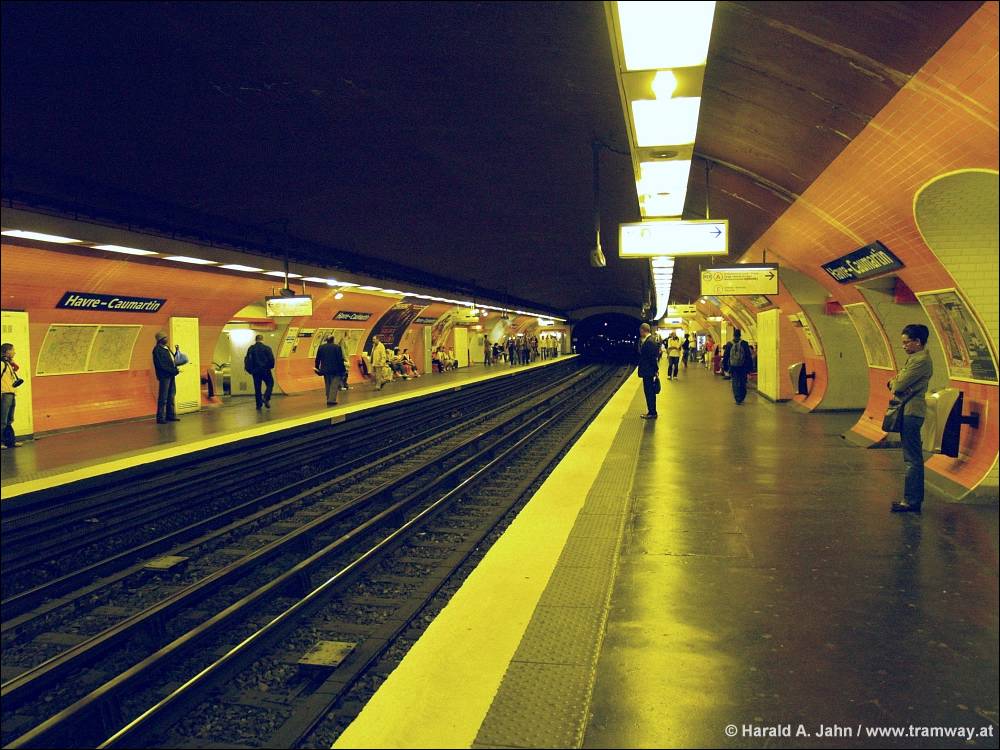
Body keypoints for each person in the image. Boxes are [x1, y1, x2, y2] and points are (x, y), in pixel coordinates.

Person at [888, 324, 933, 513]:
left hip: (912, 412)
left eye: (907, 342)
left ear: (918, 342)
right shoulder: (915, 359)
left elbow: (897, 385)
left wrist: (894, 382)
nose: (904, 346)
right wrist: (896, 382)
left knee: (912, 458)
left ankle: (911, 501)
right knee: (911, 457)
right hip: (909, 411)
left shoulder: (920, 361)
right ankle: (911, 499)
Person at [152, 331, 180, 423]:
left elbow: (172, 359)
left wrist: (177, 353)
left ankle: (170, 415)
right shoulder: (157, 350)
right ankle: (160, 418)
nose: (167, 339)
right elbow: (160, 365)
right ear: (160, 339)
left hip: (171, 374)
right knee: (163, 397)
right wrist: (172, 370)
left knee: (171, 396)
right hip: (164, 376)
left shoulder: (167, 348)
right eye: (165, 337)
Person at [1, 343, 25, 448]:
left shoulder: (7, 363)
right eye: (12, 350)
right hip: (4, 393)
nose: (14, 352)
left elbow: (16, 368)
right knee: (3, 420)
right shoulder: (2, 364)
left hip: (11, 393)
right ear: (7, 351)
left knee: (9, 419)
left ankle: (10, 441)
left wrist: (11, 361)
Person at [244, 334, 276, 410]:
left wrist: (250, 370)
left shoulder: (251, 348)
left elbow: (247, 359)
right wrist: (269, 367)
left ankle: (258, 405)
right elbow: (271, 359)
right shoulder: (267, 348)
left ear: (255, 340)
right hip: (265, 370)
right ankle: (266, 397)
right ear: (262, 339)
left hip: (255, 371)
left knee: (257, 388)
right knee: (270, 383)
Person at [637, 323, 661, 419]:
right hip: (649, 371)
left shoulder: (649, 342)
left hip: (648, 371)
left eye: (640, 331)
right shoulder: (650, 340)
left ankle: (652, 412)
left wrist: (656, 370)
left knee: (649, 392)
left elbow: (652, 358)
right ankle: (651, 411)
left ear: (643, 330)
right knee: (649, 392)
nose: (640, 333)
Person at [722, 329, 753, 404]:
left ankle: (737, 398)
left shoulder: (729, 344)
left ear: (733, 335)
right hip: (743, 366)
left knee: (735, 382)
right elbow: (748, 356)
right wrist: (750, 369)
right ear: (740, 335)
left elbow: (726, 356)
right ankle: (742, 396)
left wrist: (725, 367)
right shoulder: (744, 344)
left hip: (733, 367)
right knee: (743, 381)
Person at [315, 335, 347, 405]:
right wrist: (343, 369)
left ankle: (328, 398)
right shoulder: (337, 347)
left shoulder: (321, 347)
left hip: (325, 369)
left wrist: (317, 368)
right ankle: (331, 400)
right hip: (336, 370)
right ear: (333, 340)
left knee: (328, 384)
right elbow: (340, 359)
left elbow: (317, 359)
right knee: (334, 384)